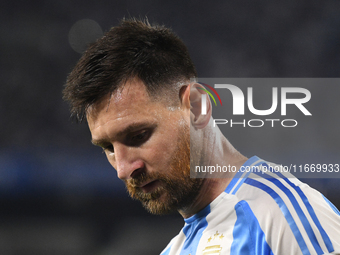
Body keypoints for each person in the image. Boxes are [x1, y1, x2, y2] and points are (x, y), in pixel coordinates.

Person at [63, 18, 340, 255]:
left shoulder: (282, 214)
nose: (124, 169)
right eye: (108, 147)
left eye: (138, 135)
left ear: (197, 107)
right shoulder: (176, 250)